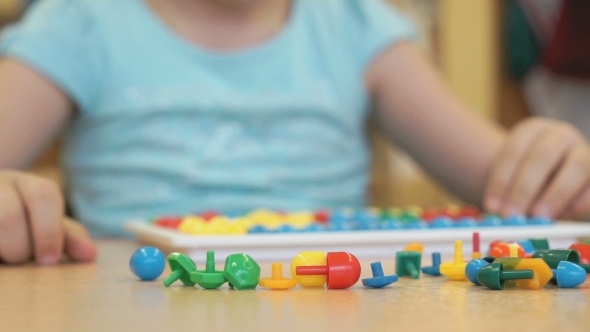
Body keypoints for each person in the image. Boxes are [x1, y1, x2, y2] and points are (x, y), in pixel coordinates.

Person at [1, 0, 589, 266]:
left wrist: (559, 169)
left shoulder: (357, 23)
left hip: (327, 305)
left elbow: (521, 186)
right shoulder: (80, 22)